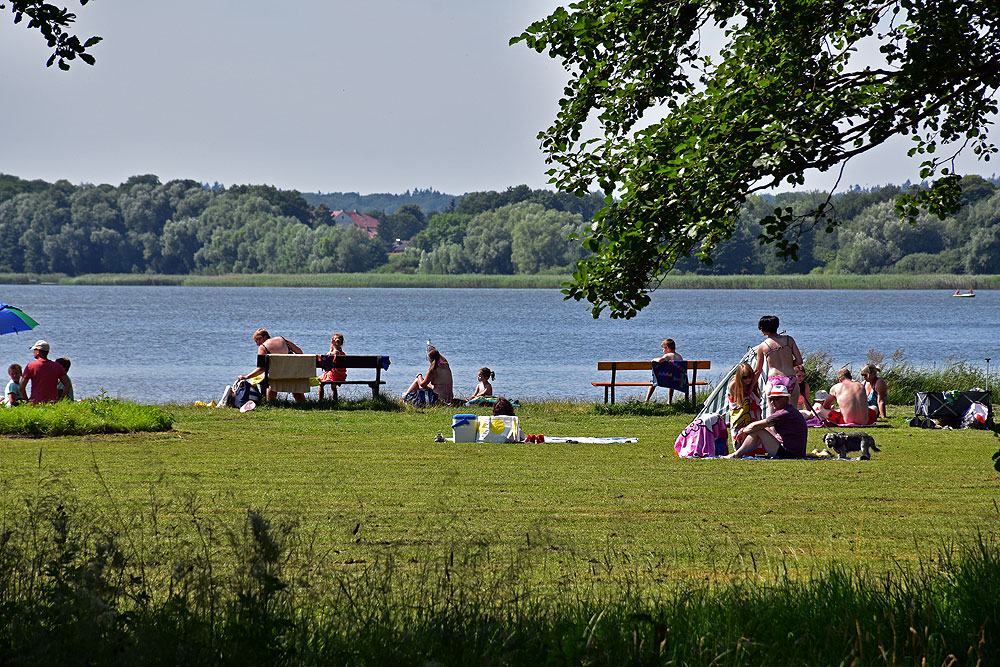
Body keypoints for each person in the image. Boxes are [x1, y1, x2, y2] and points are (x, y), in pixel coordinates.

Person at [724, 384, 807, 459]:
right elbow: (763, 426)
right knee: (760, 428)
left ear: (785, 399)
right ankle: (738, 453)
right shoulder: (788, 410)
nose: (772, 402)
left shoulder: (783, 413)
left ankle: (736, 454)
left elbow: (754, 426)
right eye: (771, 399)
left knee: (758, 430)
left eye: (776, 399)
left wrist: (743, 431)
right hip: (794, 452)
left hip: (790, 454)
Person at [238, 328, 306, 403]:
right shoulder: (284, 340)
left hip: (276, 377)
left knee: (270, 380)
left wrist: (246, 377)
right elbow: (300, 353)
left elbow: (261, 369)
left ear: (262, 338)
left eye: (257, 341)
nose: (257, 344)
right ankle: (303, 404)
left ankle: (271, 403)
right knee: (289, 380)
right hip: (292, 374)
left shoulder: (263, 347)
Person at [753, 315, 804, 409]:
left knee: (774, 416)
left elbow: (758, 370)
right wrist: (788, 363)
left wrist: (750, 387)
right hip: (790, 379)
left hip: (774, 380)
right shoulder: (789, 340)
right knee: (791, 414)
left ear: (763, 329)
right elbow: (799, 360)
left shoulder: (763, 346)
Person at [19, 340, 71, 405]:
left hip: (36, 402)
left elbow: (22, 386)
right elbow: (68, 385)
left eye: (35, 350)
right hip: (52, 403)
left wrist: (27, 401)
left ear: (38, 352)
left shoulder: (31, 366)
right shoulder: (57, 366)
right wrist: (61, 399)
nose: (34, 352)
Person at [726, 362, 762, 451]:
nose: (748, 380)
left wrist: (751, 387)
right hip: (740, 415)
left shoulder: (752, 384)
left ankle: (754, 448)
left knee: (754, 432)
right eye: (744, 377)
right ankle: (740, 449)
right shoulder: (734, 384)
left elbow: (758, 370)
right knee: (739, 434)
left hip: (752, 413)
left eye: (750, 377)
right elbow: (737, 403)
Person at [645, 338, 684, 403]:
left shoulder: (668, 356)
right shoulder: (680, 356)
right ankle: (669, 401)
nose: (663, 351)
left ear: (667, 348)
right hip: (677, 379)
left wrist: (654, 359)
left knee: (654, 382)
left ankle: (646, 400)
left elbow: (660, 360)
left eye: (663, 349)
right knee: (672, 379)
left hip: (664, 380)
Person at [318, 333, 346, 401]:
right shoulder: (343, 353)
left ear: (332, 342)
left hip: (334, 375)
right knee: (333, 387)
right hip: (340, 375)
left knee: (320, 383)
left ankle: (320, 401)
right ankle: (335, 400)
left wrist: (331, 350)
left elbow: (327, 359)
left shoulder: (334, 353)